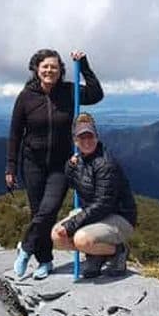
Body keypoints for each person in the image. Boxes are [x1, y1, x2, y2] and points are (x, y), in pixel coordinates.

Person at [6, 49, 103, 279]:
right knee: (39, 213)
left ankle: (26, 249)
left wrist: (85, 65)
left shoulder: (69, 92)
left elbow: (96, 94)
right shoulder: (26, 97)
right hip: (33, 163)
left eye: (54, 67)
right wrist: (11, 167)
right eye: (45, 66)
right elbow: (15, 134)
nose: (50, 71)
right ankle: (45, 261)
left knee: (48, 210)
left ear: (61, 71)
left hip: (61, 164)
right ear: (36, 69)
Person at [52, 113, 137, 278]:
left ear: (96, 137)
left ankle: (117, 251)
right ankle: (96, 254)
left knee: (81, 239)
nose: (86, 141)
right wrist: (70, 166)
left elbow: (103, 204)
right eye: (81, 138)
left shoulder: (105, 164)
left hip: (119, 217)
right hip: (97, 215)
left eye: (90, 136)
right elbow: (71, 182)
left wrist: (71, 225)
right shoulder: (80, 161)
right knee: (57, 236)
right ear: (76, 141)